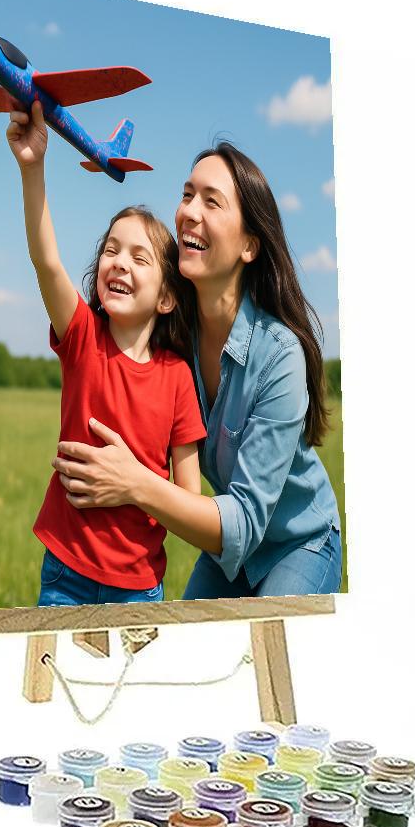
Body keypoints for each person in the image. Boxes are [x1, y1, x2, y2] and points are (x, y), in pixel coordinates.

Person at [52, 142, 342, 597]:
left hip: (297, 544)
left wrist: (135, 483)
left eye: (212, 200)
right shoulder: (173, 336)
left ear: (249, 245)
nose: (189, 211)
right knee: (185, 662)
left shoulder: (280, 357)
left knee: (272, 652)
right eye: (187, 195)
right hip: (228, 553)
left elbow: (243, 523)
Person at [6, 102, 207, 607]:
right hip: (65, 577)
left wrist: (135, 486)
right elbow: (46, 260)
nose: (118, 262)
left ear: (166, 298)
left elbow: (191, 500)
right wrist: (33, 167)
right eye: (111, 250)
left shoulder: (178, 377)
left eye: (139, 257)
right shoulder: (82, 337)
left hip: (139, 587)